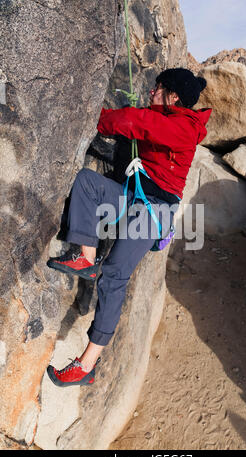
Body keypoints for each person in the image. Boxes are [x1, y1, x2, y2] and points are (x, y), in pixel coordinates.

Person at [46, 68, 212, 387]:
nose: (151, 92)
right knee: (88, 182)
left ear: (173, 96)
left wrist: (92, 114)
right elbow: (138, 122)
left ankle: (86, 365)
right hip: (132, 196)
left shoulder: (183, 127)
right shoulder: (164, 117)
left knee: (114, 278)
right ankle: (85, 257)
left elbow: (133, 123)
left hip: (154, 210)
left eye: (157, 88)